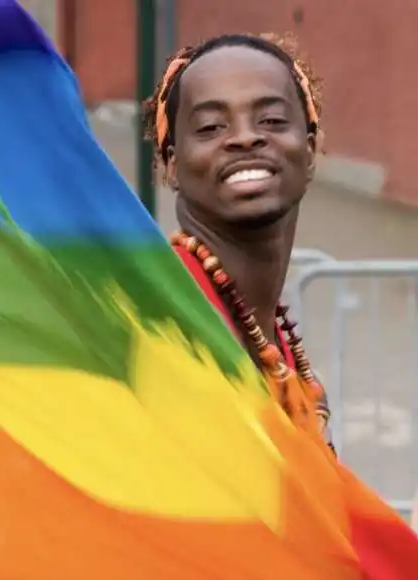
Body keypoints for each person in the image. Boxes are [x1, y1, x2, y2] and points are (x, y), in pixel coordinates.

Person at [142, 33, 331, 440]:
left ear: (310, 149)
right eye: (210, 127)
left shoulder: (268, 330)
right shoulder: (167, 320)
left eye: (271, 120)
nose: (245, 138)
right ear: (172, 164)